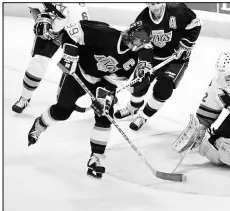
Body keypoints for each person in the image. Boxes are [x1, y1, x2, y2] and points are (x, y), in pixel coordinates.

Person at [27, 20, 153, 178]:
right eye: (138, 41)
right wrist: (70, 53)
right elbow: (70, 30)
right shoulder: (104, 35)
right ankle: (39, 125)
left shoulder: (132, 59)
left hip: (101, 81)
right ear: (130, 36)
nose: (140, 45)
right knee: (63, 111)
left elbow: (113, 80)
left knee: (105, 116)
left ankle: (96, 159)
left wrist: (102, 98)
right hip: (79, 72)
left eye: (144, 43)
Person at [114, 3, 202, 131]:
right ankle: (133, 107)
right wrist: (145, 63)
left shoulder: (178, 11)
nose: (155, 8)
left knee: (163, 89)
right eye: (151, 3)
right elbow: (142, 45)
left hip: (176, 60)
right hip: (154, 57)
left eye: (157, 3)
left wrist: (186, 44)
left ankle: (143, 116)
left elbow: (196, 25)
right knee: (139, 82)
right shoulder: (143, 19)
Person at [12, 3, 89, 114]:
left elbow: (83, 26)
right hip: (50, 29)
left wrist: (66, 39)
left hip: (72, 33)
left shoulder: (77, 5)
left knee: (79, 64)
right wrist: (39, 19)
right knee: (38, 61)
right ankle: (25, 98)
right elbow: (33, 8)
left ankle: (103, 94)